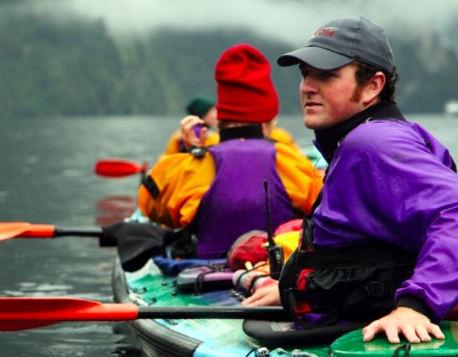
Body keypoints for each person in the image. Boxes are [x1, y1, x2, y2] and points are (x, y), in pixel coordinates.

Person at [241, 16, 458, 345]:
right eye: (306, 75)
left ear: (373, 86)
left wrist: (415, 306)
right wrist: (294, 283)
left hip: (376, 333)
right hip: (349, 318)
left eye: (327, 75)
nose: (307, 87)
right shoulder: (372, 138)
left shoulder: (374, 143)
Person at [137, 43, 323, 259]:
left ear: (221, 119)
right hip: (272, 272)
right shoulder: (293, 162)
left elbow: (148, 206)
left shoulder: (190, 166)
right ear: (267, 120)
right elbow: (324, 211)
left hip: (204, 272)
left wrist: (191, 153)